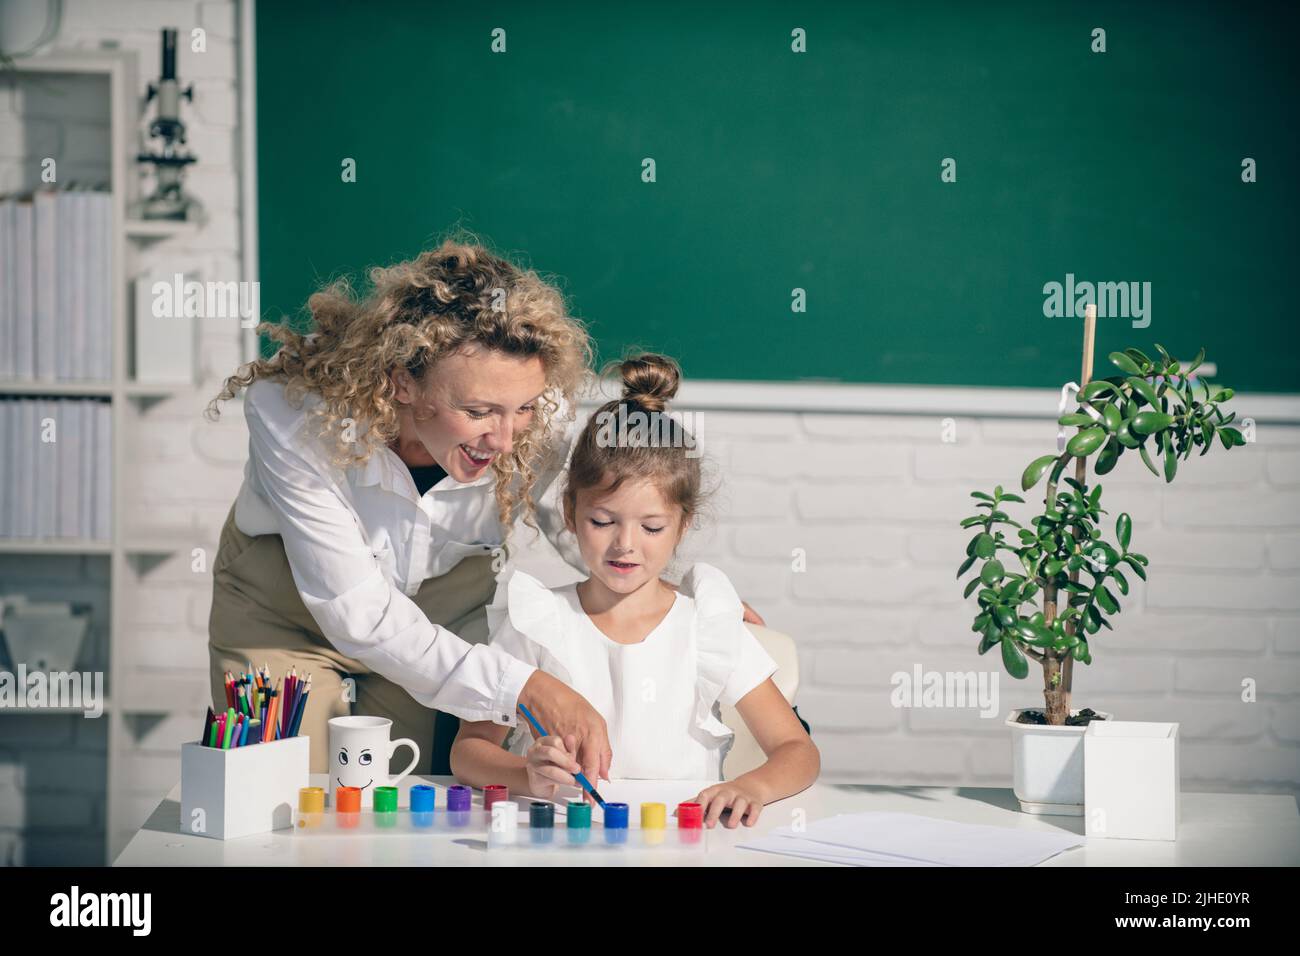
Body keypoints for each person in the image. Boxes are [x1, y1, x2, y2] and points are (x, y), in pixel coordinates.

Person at [450, 353, 819, 827]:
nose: (625, 545)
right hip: (562, 844)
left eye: (651, 527)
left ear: (682, 526)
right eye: (602, 521)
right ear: (570, 513)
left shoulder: (706, 624)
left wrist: (752, 785)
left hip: (682, 846)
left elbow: (798, 750)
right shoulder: (537, 620)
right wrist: (526, 774)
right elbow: (468, 751)